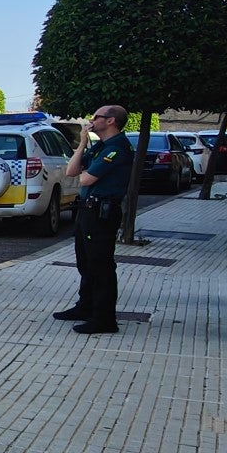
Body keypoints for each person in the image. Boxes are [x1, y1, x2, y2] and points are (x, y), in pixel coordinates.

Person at [54, 105, 133, 335]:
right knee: (85, 262)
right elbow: (71, 171)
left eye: (96, 117)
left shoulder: (117, 148)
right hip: (88, 210)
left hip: (102, 212)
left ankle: (104, 318)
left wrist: (85, 173)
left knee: (100, 265)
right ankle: (85, 306)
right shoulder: (101, 146)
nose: (91, 120)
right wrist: (82, 143)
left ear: (110, 121)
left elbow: (86, 179)